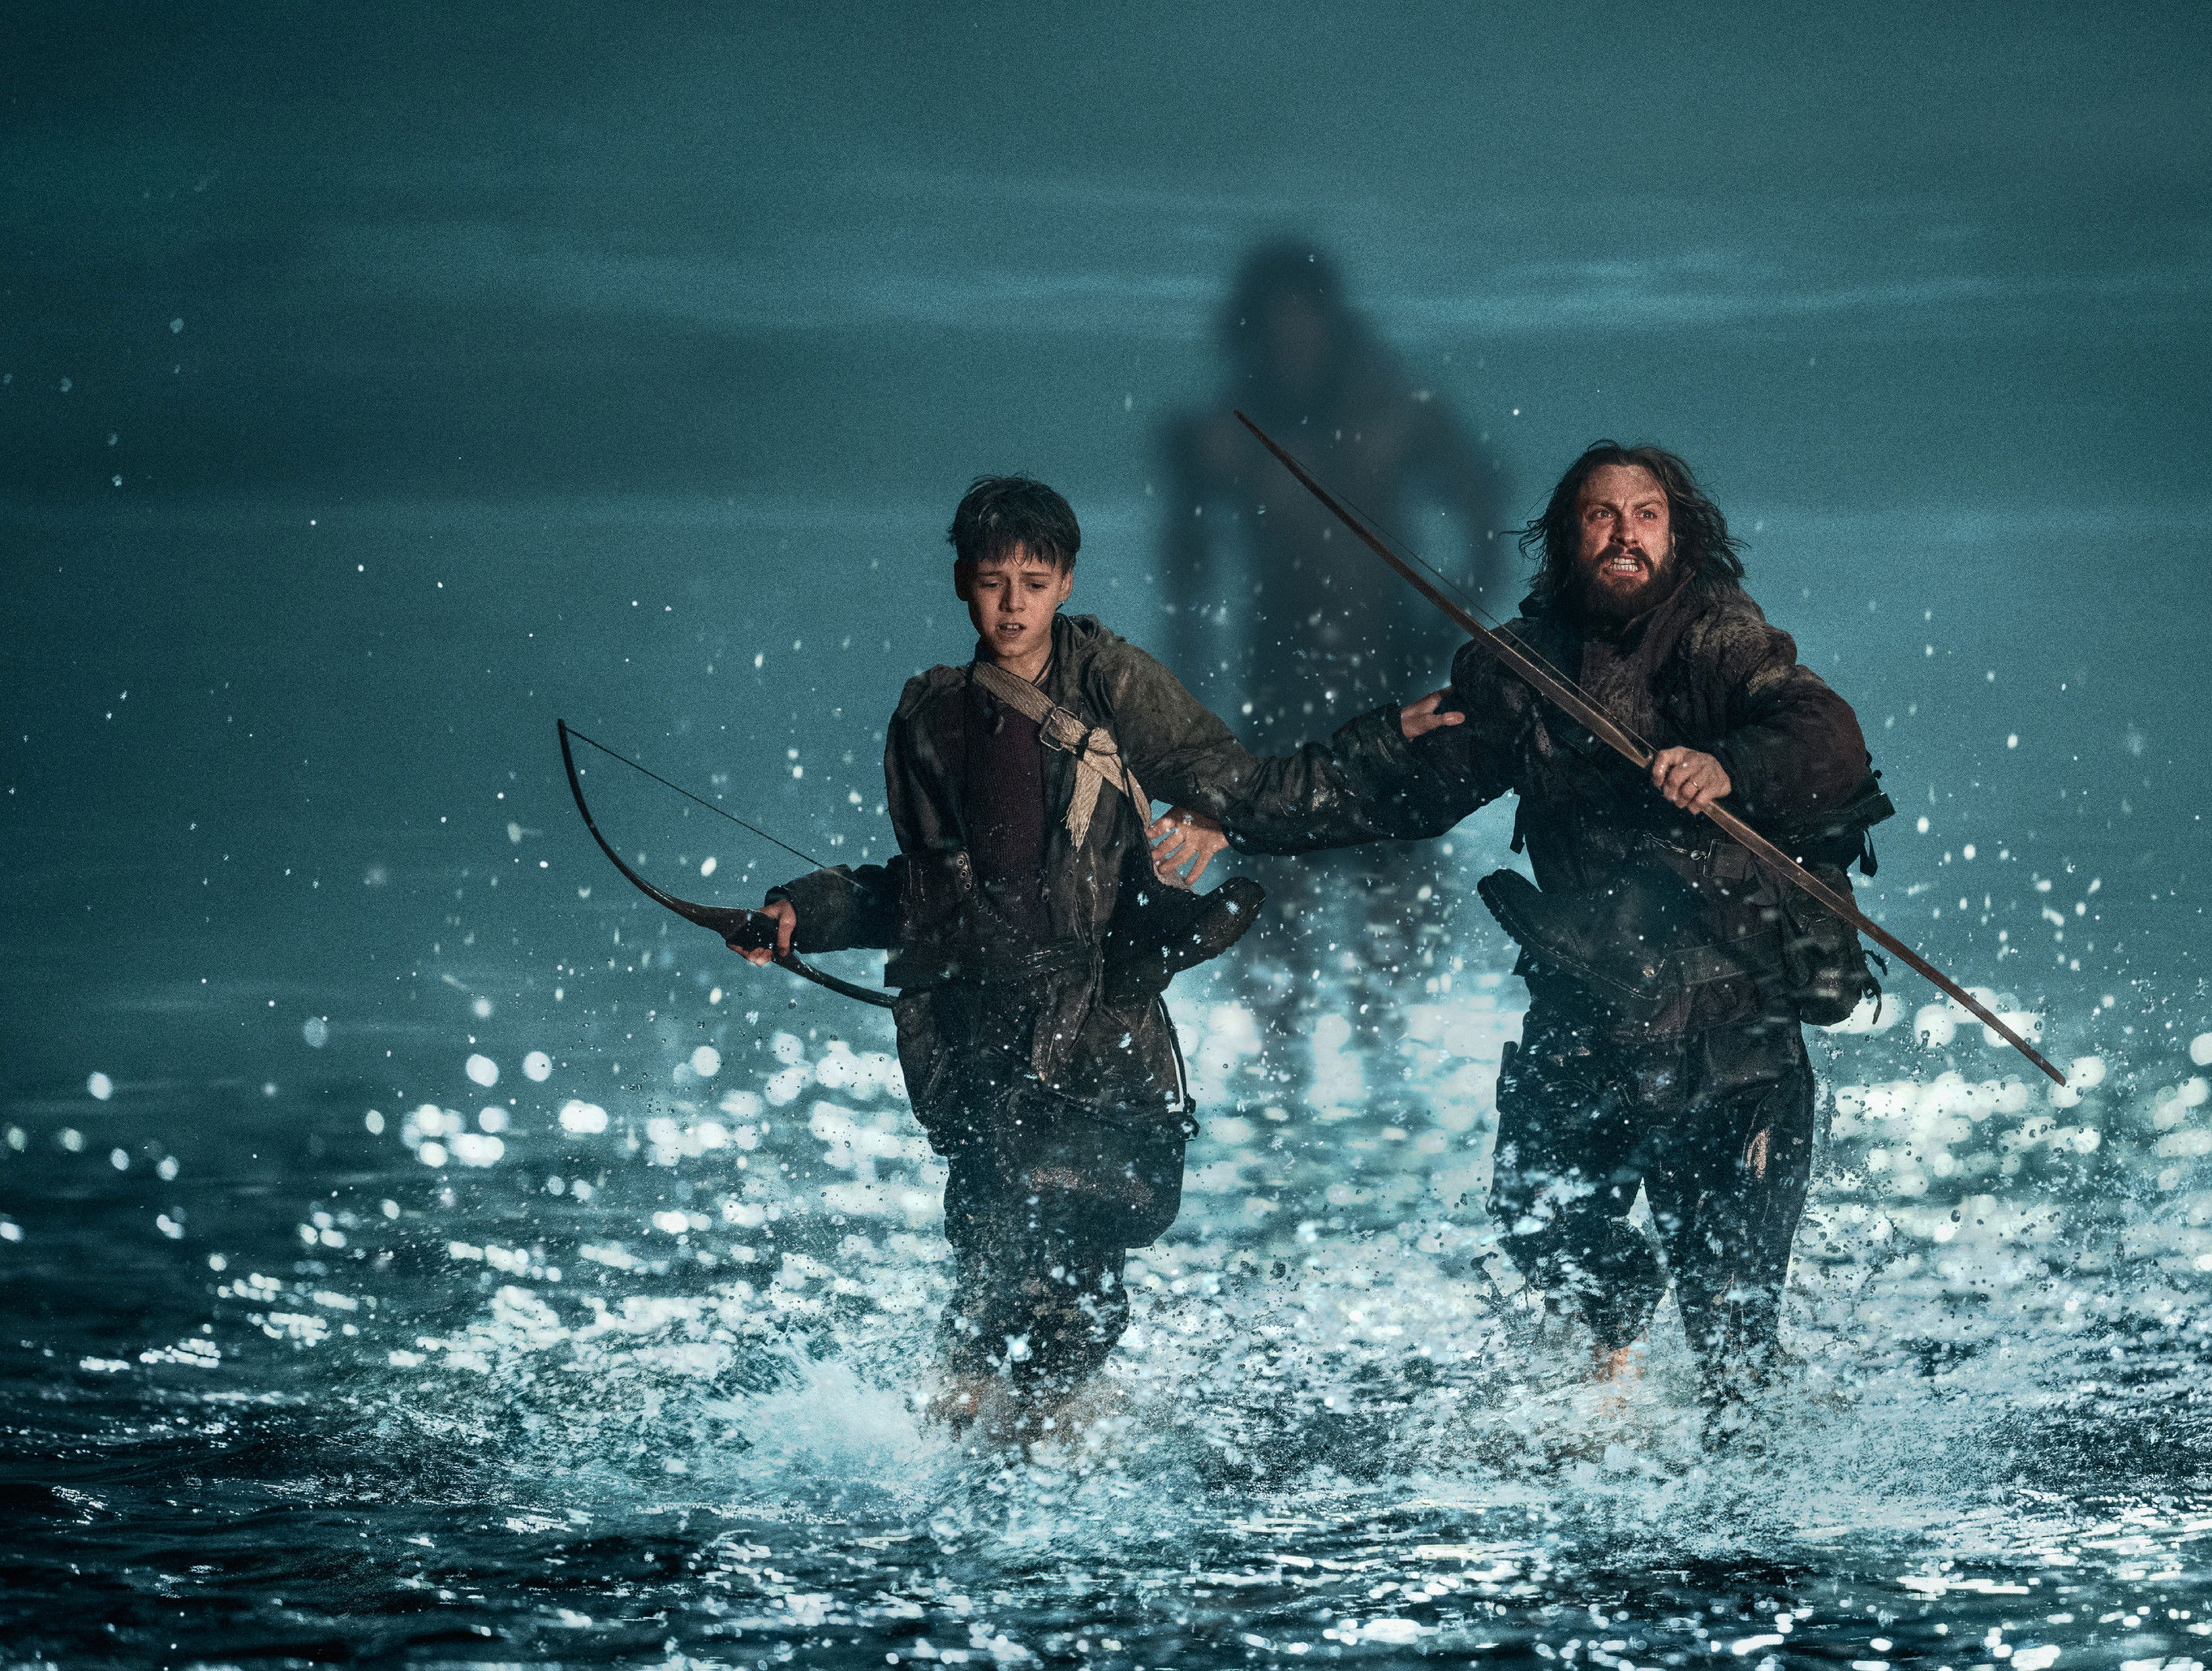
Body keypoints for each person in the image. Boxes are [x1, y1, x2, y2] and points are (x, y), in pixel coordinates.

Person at [1218, 443, 1891, 1432]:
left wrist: (1729, 765)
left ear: (1679, 534)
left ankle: (1765, 1494)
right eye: (1601, 515)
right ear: (1567, 537)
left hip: (1732, 1034)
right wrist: (1233, 814)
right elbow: (1403, 793)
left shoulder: (1721, 640)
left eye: (1646, 515)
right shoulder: (1518, 671)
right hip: (1585, 1019)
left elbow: (1826, 734)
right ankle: (1613, 1370)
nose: (1625, 535)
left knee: (1734, 1344)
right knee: (1545, 1230)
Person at [726, 475, 1292, 1445]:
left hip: (1099, 1021)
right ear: (962, 583)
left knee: (1083, 1251)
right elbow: (921, 889)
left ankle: (1055, 1446)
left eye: (1034, 582)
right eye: (993, 582)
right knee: (988, 1258)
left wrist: (1209, 814)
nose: (1013, 604)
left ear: (1066, 582)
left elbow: (1231, 775)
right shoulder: (931, 718)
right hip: (979, 1028)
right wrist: (799, 914)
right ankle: (977, 1452)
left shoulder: (1109, 680)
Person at [1159, 241, 1505, 1103]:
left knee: (1396, 879)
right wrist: (1182, 703)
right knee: (1276, 878)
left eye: (1303, 326)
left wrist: (1446, 632)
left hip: (1386, 668)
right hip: (1278, 680)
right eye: (1276, 330)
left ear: (1331, 325)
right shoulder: (1228, 433)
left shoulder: (1393, 415)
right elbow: (1186, 575)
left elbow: (1484, 508)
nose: (1292, 346)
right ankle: (1281, 1085)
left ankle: (1389, 1074)